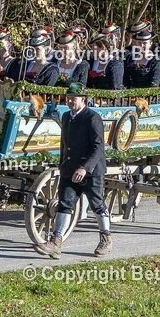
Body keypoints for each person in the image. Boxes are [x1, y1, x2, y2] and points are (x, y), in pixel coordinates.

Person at [34, 82, 112, 258]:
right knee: (64, 204)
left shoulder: (92, 118)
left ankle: (106, 239)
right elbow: (65, 144)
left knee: (97, 204)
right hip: (70, 169)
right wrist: (63, 165)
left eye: (73, 98)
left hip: (91, 171)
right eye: (68, 98)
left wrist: (85, 168)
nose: (70, 101)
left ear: (83, 99)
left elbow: (99, 147)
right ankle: (56, 243)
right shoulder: (66, 117)